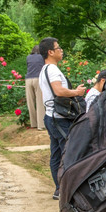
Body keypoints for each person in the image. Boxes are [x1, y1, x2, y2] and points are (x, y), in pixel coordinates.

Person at [38, 37, 86, 201]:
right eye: (58, 48)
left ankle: (60, 189)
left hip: (51, 116)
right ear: (50, 52)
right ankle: (67, 189)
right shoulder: (51, 69)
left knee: (57, 154)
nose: (61, 50)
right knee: (68, 152)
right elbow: (58, 91)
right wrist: (76, 93)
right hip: (59, 118)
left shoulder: (45, 69)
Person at [25, 45, 46, 131]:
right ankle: (41, 125)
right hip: (38, 78)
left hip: (28, 79)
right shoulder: (42, 57)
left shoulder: (28, 57)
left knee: (30, 102)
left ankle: (33, 123)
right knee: (39, 101)